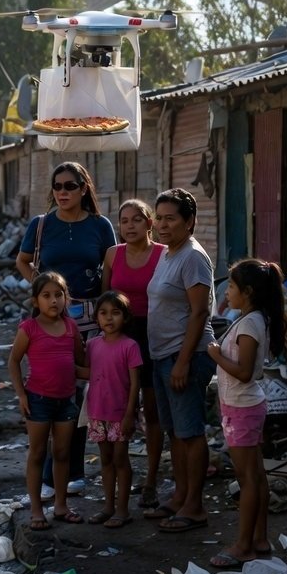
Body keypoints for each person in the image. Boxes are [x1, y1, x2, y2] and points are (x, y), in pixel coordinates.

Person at [16, 161, 116, 495]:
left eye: (69, 186)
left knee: (84, 394)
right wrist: (43, 292)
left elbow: (109, 268)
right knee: (53, 388)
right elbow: (23, 259)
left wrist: (106, 310)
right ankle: (48, 475)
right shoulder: (41, 224)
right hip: (50, 319)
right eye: (57, 186)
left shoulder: (101, 226)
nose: (62, 192)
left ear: (84, 188)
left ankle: (72, 472)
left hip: (90, 316)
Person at [206, 259, 287, 567]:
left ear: (249, 291)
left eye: (232, 286)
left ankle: (243, 546)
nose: (227, 292)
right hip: (242, 407)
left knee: (248, 478)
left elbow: (243, 372)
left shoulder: (251, 324)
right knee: (256, 475)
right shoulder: (249, 319)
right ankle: (260, 539)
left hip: (243, 407)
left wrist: (214, 353)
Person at [144, 188, 216, 533]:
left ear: (189, 222)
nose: (162, 224)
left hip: (184, 355)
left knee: (190, 432)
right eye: (159, 217)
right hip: (163, 355)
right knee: (175, 432)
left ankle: (195, 507)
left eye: (170, 218)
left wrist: (184, 361)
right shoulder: (169, 253)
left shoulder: (193, 257)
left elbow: (200, 311)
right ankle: (180, 495)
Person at [8, 271, 86, 530]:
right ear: (35, 301)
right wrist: (21, 394)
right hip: (38, 400)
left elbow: (78, 362)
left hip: (67, 399)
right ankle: (37, 510)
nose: (54, 301)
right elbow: (14, 361)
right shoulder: (29, 328)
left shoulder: (71, 327)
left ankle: (61, 505)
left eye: (58, 295)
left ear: (66, 298)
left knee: (63, 453)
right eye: (46, 296)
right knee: (38, 453)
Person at [101, 199, 165, 509]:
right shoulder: (113, 254)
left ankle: (151, 480)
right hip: (120, 337)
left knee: (151, 411)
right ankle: (117, 485)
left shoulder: (163, 255)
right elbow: (106, 300)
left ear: (150, 223)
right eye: (123, 220)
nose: (129, 225)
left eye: (136, 220)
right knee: (118, 411)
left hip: (153, 335)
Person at [84, 291, 142, 528]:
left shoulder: (130, 346)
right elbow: (88, 372)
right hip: (98, 412)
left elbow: (135, 383)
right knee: (105, 459)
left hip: (121, 414)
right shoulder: (92, 345)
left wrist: (130, 413)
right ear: (96, 317)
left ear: (125, 317)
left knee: (120, 459)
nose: (109, 318)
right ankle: (108, 506)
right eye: (104, 313)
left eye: (115, 313)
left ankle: (122, 509)